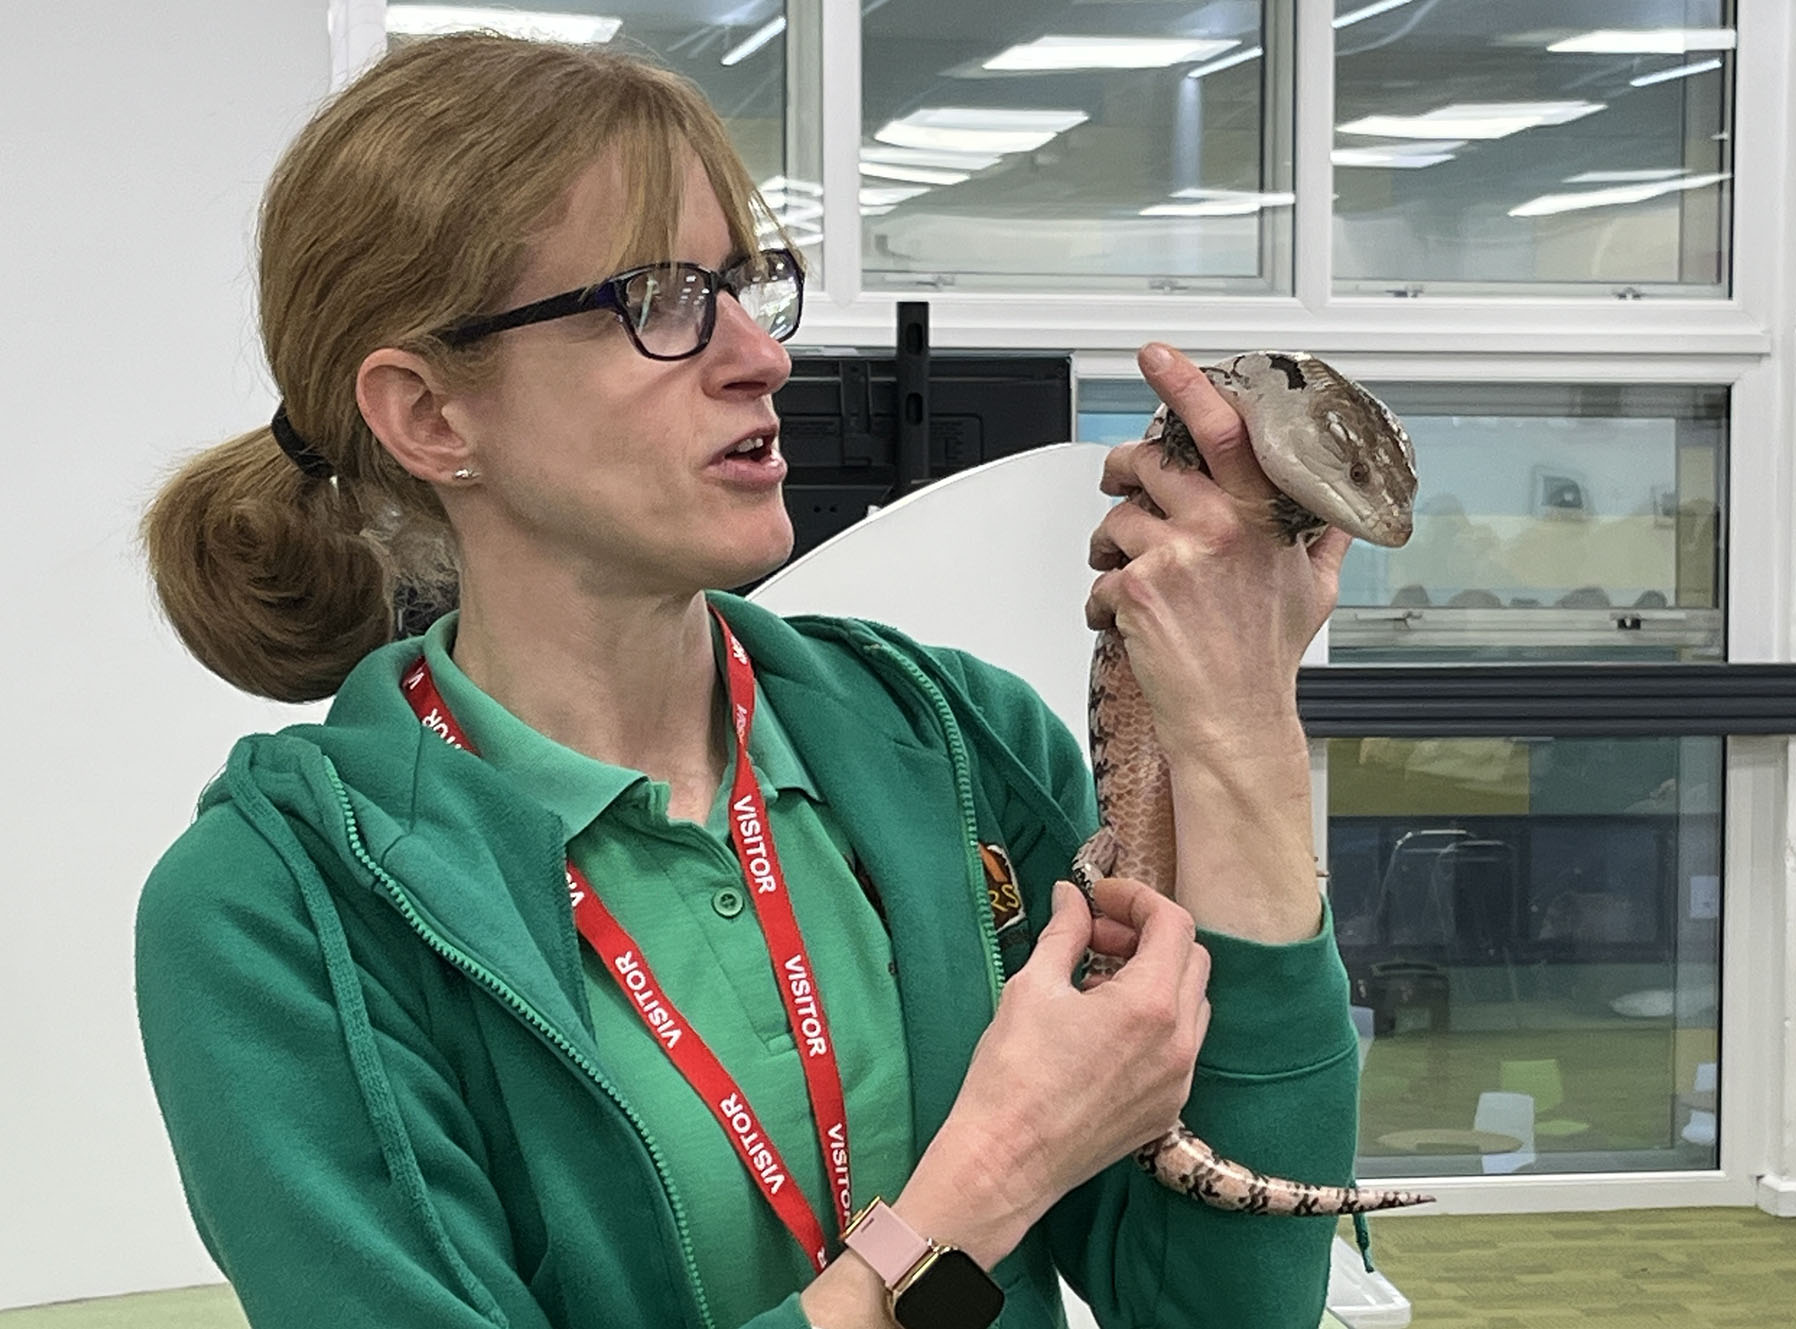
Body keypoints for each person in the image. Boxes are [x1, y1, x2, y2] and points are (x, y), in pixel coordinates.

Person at [136, 32, 1361, 1329]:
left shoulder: (953, 746)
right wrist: (984, 1180)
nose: (762, 354)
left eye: (745, 281)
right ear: (433, 416)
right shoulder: (280, 912)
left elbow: (1228, 1306)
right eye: (659, 299)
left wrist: (1238, 724)